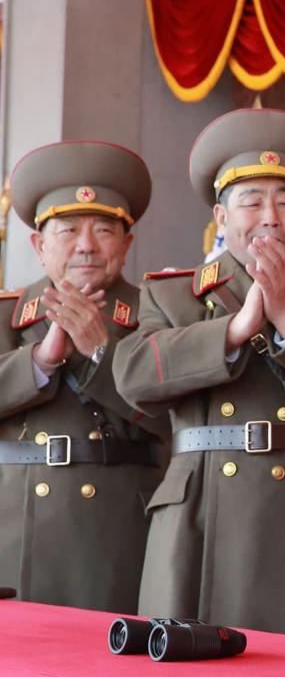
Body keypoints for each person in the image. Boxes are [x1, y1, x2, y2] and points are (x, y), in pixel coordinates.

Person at [112, 108, 285, 644]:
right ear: (221, 216)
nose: (271, 216)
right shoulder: (173, 295)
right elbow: (133, 378)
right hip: (200, 516)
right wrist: (232, 331)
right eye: (252, 201)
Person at [0, 141, 165, 613]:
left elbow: (175, 420)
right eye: (69, 229)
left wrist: (100, 351)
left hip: (118, 526)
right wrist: (41, 359)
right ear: (39, 244)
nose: (86, 245)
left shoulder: (160, 312)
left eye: (105, 230)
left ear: (127, 243)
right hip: (15, 519)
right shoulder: (8, 314)